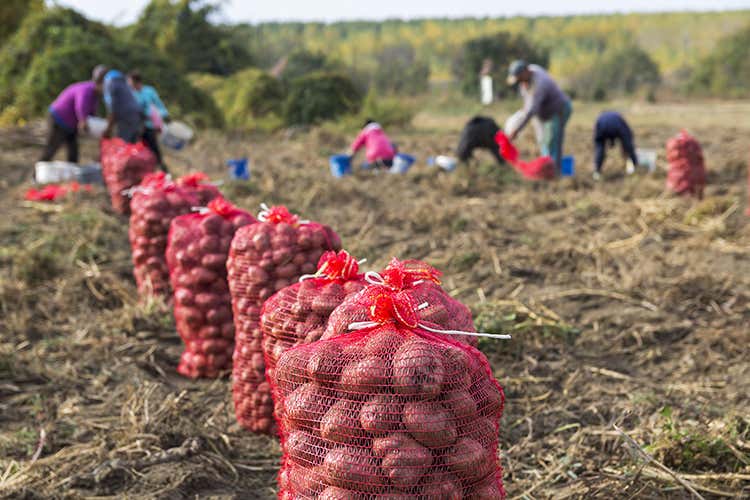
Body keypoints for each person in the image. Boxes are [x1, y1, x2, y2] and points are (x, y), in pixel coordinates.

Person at [506, 60, 572, 170]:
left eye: (520, 78)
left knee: (552, 141)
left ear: (526, 72)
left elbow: (531, 110)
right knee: (543, 140)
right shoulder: (531, 70)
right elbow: (528, 103)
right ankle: (550, 166)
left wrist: (516, 130)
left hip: (559, 109)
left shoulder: (540, 84)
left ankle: (553, 172)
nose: (520, 82)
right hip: (544, 112)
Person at [40, 64, 108, 163]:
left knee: (73, 150)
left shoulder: (95, 95)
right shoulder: (86, 89)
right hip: (58, 119)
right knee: (52, 147)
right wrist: (83, 120)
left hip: (70, 125)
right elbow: (80, 106)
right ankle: (37, 174)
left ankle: (72, 172)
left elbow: (92, 112)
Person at [128, 70, 170, 171]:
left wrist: (161, 117)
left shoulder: (149, 91)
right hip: (136, 127)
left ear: (136, 82)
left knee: (154, 150)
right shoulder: (130, 94)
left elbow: (160, 107)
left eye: (130, 82)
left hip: (149, 126)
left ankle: (162, 170)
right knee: (135, 150)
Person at [593, 111, 639, 181]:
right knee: (628, 147)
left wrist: (612, 142)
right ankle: (635, 165)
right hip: (615, 125)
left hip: (602, 125)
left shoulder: (602, 117)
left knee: (600, 147)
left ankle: (597, 172)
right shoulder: (622, 123)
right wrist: (629, 152)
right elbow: (628, 142)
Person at [102, 69, 142, 143]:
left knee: (123, 146)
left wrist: (108, 129)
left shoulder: (109, 84)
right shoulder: (124, 85)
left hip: (126, 120)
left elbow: (112, 110)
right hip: (136, 118)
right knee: (131, 146)